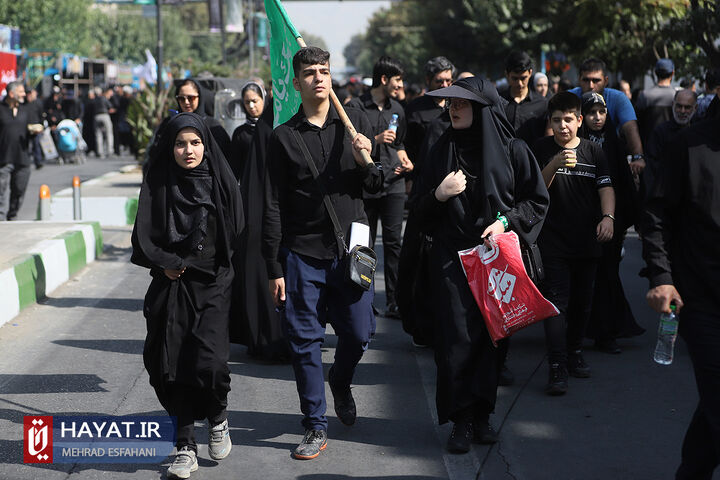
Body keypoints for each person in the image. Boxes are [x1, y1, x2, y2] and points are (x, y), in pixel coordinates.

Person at [411, 77, 549, 453]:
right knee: (457, 340)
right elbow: (418, 210)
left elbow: (536, 201)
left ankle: (483, 414)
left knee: (492, 339)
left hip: (495, 259)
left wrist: (504, 222)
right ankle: (460, 420)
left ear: (483, 109)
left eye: (462, 102)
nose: (453, 108)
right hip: (451, 260)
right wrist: (439, 195)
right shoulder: (440, 150)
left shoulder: (514, 150)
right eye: (451, 102)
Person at [262, 47, 380, 460]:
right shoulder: (283, 137)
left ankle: (341, 379)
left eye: (324, 71)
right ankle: (314, 424)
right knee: (303, 341)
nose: (318, 78)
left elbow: (377, 187)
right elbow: (272, 204)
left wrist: (369, 160)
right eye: (310, 72)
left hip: (353, 253)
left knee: (360, 333)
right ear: (296, 83)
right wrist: (275, 265)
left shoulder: (354, 126)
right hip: (302, 254)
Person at [131, 112, 244, 479]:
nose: (188, 150)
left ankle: (218, 414)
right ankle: (184, 447)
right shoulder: (159, 180)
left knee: (209, 362)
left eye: (195, 142)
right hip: (172, 282)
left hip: (213, 280)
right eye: (181, 143)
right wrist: (164, 263)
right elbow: (143, 235)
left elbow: (237, 225)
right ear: (171, 147)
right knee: (173, 365)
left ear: (206, 146)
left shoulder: (219, 179)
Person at [641, 105, 720, 480]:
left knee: (713, 409)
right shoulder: (687, 145)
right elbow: (656, 217)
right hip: (701, 300)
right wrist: (661, 276)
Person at [531, 92, 615, 395]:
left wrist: (608, 218)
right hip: (552, 241)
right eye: (557, 120)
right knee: (556, 304)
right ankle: (557, 365)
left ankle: (575, 351)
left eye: (568, 119)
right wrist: (554, 163)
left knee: (582, 303)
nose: (563, 126)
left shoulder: (595, 152)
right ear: (550, 121)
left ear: (580, 121)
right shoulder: (541, 149)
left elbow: (606, 187)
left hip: (587, 240)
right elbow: (535, 190)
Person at [347, 56, 413, 318]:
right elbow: (348, 145)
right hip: (365, 184)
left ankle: (395, 300)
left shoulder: (398, 108)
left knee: (394, 242)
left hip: (394, 183)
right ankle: (364, 299)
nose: (400, 85)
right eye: (397, 80)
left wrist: (404, 156)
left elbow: (400, 143)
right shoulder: (355, 107)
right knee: (365, 245)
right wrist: (375, 139)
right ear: (384, 80)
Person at [229, 81, 290, 361]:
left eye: (256, 100)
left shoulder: (279, 129)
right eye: (247, 102)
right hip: (255, 206)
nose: (251, 105)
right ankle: (262, 338)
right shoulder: (249, 133)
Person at [578, 92, 643, 354]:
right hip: (581, 223)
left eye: (601, 112)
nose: (597, 117)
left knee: (607, 277)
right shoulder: (576, 142)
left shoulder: (614, 143)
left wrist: (629, 219)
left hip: (610, 224)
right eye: (591, 112)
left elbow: (623, 186)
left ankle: (607, 333)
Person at [568, 58, 646, 177]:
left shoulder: (618, 98)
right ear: (579, 80)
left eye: (596, 80)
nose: (591, 85)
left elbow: (630, 128)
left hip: (609, 157)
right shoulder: (569, 98)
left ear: (606, 81)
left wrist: (638, 157)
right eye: (586, 80)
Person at [644, 89, 697, 193]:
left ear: (695, 108)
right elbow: (652, 167)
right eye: (679, 106)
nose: (682, 111)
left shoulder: (698, 133)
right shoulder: (660, 132)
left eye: (687, 107)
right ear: (673, 105)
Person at [404, 56, 455, 164]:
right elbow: (406, 144)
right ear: (428, 80)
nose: (444, 85)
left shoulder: (458, 105)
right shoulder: (414, 109)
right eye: (439, 81)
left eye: (448, 81)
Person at [499, 51, 549, 146]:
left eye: (523, 78)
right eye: (515, 78)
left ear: (530, 73)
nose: (519, 83)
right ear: (507, 74)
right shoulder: (498, 101)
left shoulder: (542, 104)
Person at [0, 81, 31, 221]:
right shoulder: (0, 108)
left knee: (19, 190)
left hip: (22, 157)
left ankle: (12, 214)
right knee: (0, 191)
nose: (24, 94)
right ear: (11, 94)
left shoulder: (26, 109)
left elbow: (32, 128)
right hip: (3, 157)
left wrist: (35, 132)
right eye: (21, 92)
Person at [230, 81, 267, 181]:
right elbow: (235, 167)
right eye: (247, 102)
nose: (251, 106)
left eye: (254, 101)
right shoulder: (240, 133)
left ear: (263, 100)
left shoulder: (272, 128)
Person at [635, 58, 676, 144]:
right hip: (672, 147)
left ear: (655, 72)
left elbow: (637, 124)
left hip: (649, 147)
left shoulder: (645, 96)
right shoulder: (676, 96)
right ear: (672, 73)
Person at [94, 87, 115, 158]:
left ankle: (100, 152)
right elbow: (110, 107)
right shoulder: (104, 99)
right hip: (105, 115)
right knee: (109, 133)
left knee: (98, 134)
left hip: (96, 116)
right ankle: (110, 151)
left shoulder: (95, 99)